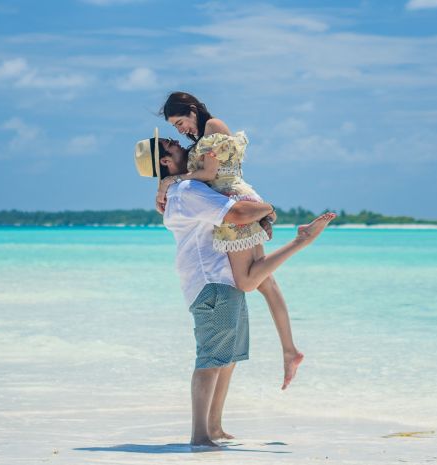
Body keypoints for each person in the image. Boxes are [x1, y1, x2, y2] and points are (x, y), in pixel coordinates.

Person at [134, 129, 335, 447]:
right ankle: (200, 436)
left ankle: (214, 428)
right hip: (212, 283)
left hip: (221, 281)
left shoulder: (181, 188)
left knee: (225, 360)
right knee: (210, 361)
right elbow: (238, 212)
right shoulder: (187, 190)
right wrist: (268, 209)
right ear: (165, 160)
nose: (181, 144)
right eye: (172, 144)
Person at [156, 91, 307, 390]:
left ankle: (301, 241)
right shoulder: (203, 135)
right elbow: (205, 173)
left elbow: (210, 172)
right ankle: (289, 350)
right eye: (174, 127)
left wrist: (170, 179)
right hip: (238, 199)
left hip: (236, 202)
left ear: (192, 109)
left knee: (248, 281)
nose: (180, 130)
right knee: (265, 281)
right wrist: (168, 181)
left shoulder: (213, 126)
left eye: (180, 121)